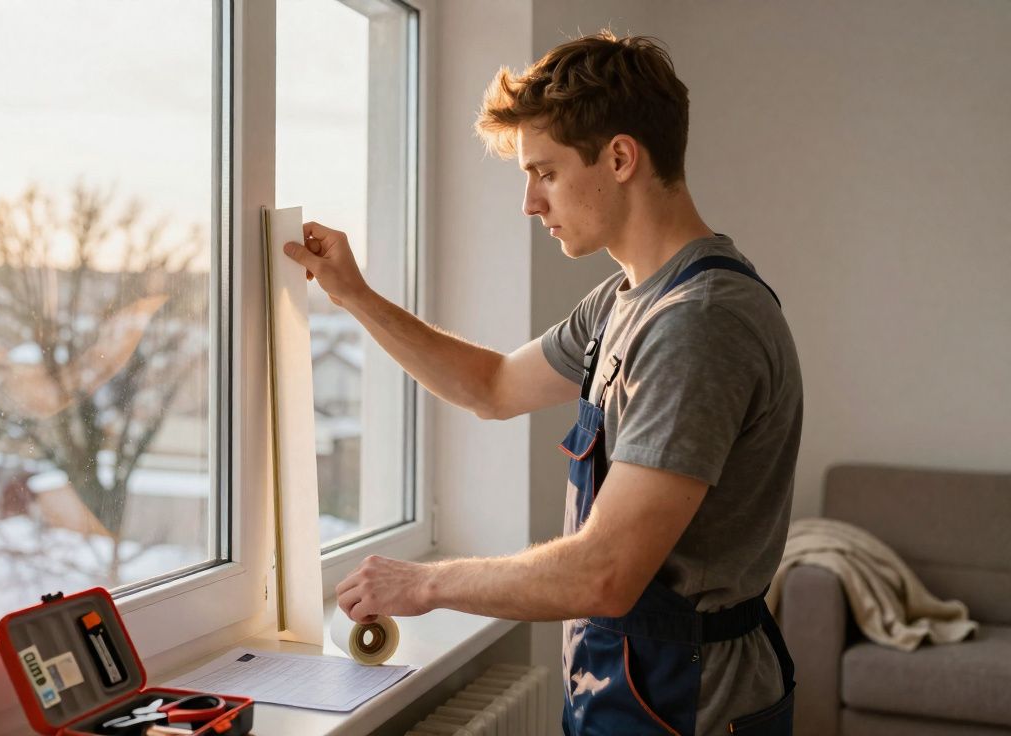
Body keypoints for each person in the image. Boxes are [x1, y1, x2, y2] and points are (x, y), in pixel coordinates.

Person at [283, 30, 802, 736]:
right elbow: (491, 386)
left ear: (620, 157)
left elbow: (605, 573)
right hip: (622, 681)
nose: (530, 202)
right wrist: (356, 297)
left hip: (690, 705)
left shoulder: (698, 324)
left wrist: (424, 583)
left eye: (546, 173)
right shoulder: (625, 301)